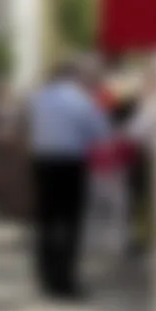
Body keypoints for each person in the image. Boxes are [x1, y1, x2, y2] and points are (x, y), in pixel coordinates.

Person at [29, 58, 113, 298]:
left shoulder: (39, 97)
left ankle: (46, 275)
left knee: (46, 219)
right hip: (70, 164)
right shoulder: (81, 99)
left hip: (43, 163)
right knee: (70, 222)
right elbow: (100, 133)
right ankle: (64, 279)